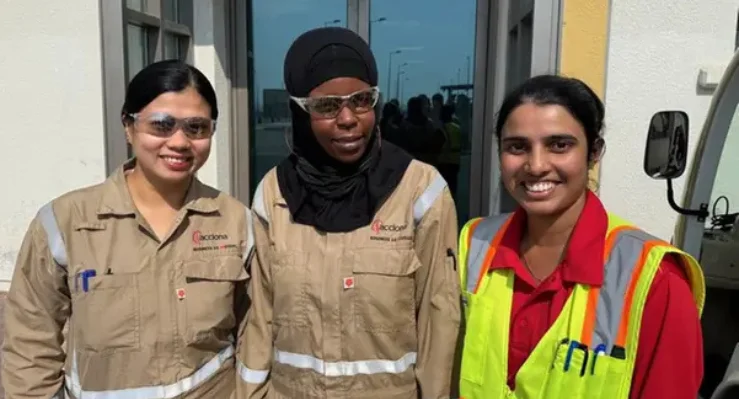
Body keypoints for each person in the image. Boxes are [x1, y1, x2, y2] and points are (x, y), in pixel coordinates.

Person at [2, 60, 252, 399]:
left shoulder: (236, 221)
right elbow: (30, 343)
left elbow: (254, 330)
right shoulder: (65, 222)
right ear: (128, 126)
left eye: (196, 127)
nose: (179, 142)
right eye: (162, 125)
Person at [235, 27, 461, 399]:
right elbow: (259, 319)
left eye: (361, 100)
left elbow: (440, 320)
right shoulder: (274, 194)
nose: (347, 118)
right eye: (326, 106)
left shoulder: (420, 191)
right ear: (300, 110)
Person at [456, 75, 706, 399]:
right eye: (517, 147)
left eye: (559, 145)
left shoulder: (655, 279)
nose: (536, 165)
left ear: (594, 152)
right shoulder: (473, 246)